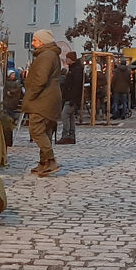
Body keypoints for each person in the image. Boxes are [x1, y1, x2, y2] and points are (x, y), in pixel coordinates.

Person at [22, 29, 62, 176]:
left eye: (35, 40)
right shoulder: (51, 54)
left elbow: (41, 79)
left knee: (36, 130)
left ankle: (50, 160)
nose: (32, 43)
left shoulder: (46, 56)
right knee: (46, 131)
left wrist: (31, 95)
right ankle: (44, 163)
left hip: (43, 99)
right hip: (49, 98)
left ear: (42, 41)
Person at [57, 52, 82, 145]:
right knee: (70, 117)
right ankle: (71, 136)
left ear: (71, 59)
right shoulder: (73, 69)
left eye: (67, 58)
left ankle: (66, 135)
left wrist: (72, 98)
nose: (66, 60)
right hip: (70, 97)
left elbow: (76, 85)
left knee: (64, 115)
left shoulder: (76, 70)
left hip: (71, 98)